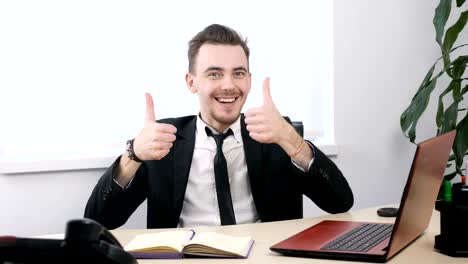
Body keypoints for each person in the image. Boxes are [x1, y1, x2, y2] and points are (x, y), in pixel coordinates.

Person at [85, 24, 353, 229]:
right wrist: (133, 155)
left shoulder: (276, 135)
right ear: (191, 83)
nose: (229, 85)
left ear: (249, 80)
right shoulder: (163, 140)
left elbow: (340, 203)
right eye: (214, 73)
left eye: (238, 73)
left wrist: (293, 143)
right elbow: (98, 219)